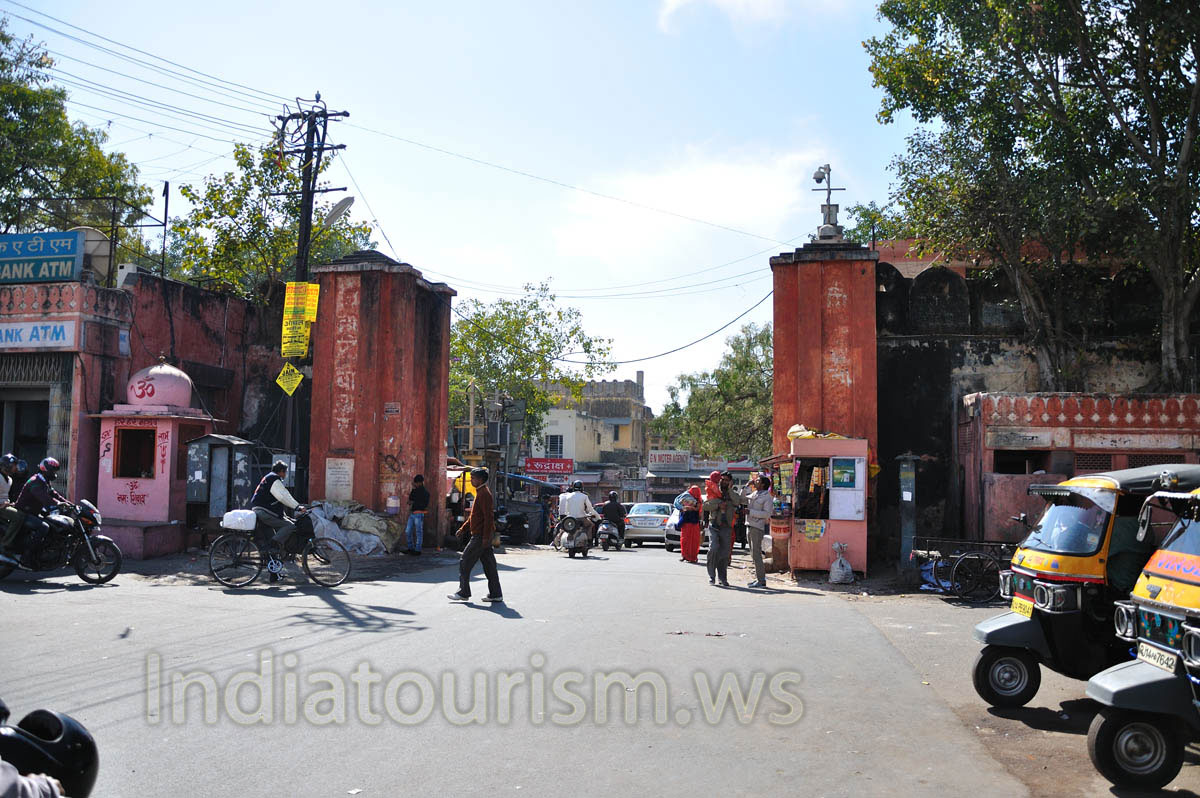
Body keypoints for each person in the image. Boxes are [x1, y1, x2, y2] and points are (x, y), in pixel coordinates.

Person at [448, 468, 502, 603]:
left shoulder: (484, 494)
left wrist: (485, 538)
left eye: (473, 478)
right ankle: (495, 594)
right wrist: (463, 528)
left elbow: (488, 518)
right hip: (482, 536)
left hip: (480, 536)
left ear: (481, 480)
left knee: (464, 561)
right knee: (489, 566)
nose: (472, 481)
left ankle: (463, 592)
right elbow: (474, 516)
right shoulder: (480, 493)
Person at [14, 458, 68, 566]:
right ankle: (27, 557)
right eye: (52, 471)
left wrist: (69, 504)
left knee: (52, 524)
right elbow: (43, 497)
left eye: (55, 471)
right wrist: (57, 504)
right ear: (45, 470)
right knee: (44, 527)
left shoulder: (44, 481)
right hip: (23, 513)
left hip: (32, 512)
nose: (54, 473)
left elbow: (53, 494)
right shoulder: (35, 481)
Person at [702, 471, 746, 587]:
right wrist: (718, 504)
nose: (724, 482)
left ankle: (722, 578)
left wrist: (730, 490)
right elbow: (705, 505)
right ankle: (712, 576)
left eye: (727, 480)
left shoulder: (732, 493)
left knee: (724, 553)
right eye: (723, 479)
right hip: (714, 525)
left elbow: (737, 502)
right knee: (713, 548)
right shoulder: (713, 491)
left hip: (727, 527)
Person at [250, 461, 301, 549]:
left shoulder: (268, 477)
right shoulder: (274, 479)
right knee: (290, 526)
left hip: (260, 510)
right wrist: (297, 507)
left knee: (272, 534)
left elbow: (275, 501)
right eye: (285, 472)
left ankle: (270, 554)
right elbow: (284, 497)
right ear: (281, 471)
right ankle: (273, 545)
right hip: (264, 512)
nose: (285, 475)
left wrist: (285, 516)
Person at [745, 475, 774, 588]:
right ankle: (758, 578)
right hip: (749, 525)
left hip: (757, 527)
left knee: (757, 554)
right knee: (753, 554)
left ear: (763, 484)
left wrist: (750, 512)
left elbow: (767, 514)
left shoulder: (767, 497)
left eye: (757, 481)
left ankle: (761, 580)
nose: (755, 482)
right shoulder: (755, 494)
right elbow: (743, 498)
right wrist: (747, 486)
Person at [0, 455, 27, 566]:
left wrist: (9, 503)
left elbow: (5, 496)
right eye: (14, 466)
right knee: (18, 516)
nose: (15, 468)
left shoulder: (10, 479)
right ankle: (5, 543)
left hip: (5, 505)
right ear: (8, 466)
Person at [556, 480, 600, 548]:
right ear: (582, 487)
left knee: (565, 528)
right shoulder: (584, 496)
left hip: (570, 518)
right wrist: (598, 517)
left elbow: (566, 509)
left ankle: (559, 540)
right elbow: (590, 509)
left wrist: (568, 515)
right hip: (581, 518)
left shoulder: (568, 496)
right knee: (590, 525)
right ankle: (589, 541)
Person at [404, 475, 430, 555]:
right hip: (414, 513)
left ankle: (417, 550)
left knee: (416, 532)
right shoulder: (421, 492)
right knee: (410, 531)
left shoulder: (424, 493)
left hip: (418, 514)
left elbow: (410, 502)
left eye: (416, 483)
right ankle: (412, 548)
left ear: (419, 482)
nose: (415, 484)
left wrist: (414, 502)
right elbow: (410, 501)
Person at [678, 485, 702, 563]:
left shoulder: (698, 501)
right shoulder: (686, 497)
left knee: (694, 540)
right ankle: (684, 555)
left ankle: (693, 557)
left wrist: (691, 508)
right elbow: (679, 506)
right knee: (684, 540)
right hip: (686, 522)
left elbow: (698, 509)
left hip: (694, 522)